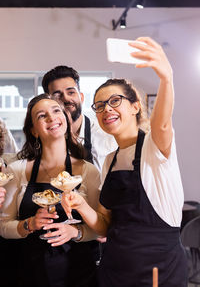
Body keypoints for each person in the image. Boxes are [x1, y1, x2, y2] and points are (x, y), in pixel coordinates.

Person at [61, 37, 187, 286]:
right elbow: (105, 227)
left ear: (135, 106)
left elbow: (162, 124)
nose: (106, 109)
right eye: (99, 106)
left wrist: (166, 77)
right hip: (114, 269)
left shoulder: (155, 147)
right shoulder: (110, 160)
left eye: (115, 101)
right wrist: (81, 204)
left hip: (158, 270)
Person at [0, 94, 100, 287]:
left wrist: (75, 232)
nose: (52, 117)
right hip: (29, 272)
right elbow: (3, 227)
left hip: (78, 274)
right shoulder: (18, 170)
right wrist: (29, 224)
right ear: (34, 130)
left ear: (65, 119)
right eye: (41, 115)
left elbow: (100, 228)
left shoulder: (89, 171)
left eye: (56, 111)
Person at [42, 65, 118, 172]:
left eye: (71, 92)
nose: (66, 98)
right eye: (57, 94)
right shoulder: (44, 140)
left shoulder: (107, 138)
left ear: (81, 97)